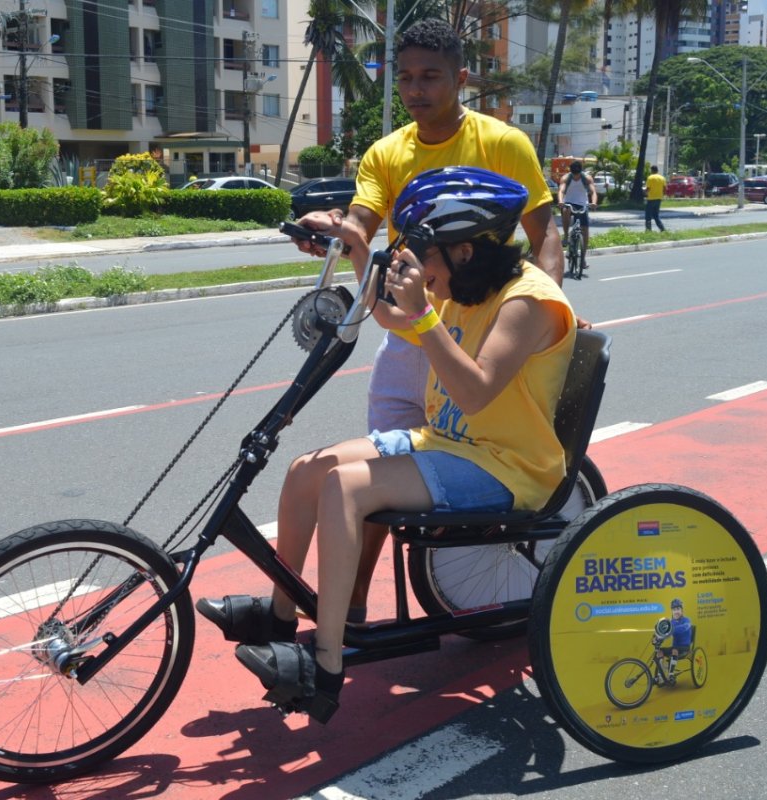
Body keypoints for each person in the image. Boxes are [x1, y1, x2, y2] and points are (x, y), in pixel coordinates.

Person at [197, 168, 577, 721]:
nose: (418, 265)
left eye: (425, 253)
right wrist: (358, 247)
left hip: (506, 464)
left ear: (464, 251)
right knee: (309, 467)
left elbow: (473, 392)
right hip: (451, 444)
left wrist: (423, 313)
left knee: (346, 489)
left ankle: (325, 666)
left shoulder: (527, 301)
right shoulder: (470, 286)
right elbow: (393, 320)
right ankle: (282, 618)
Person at [286, 17, 569, 623]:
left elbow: (545, 235)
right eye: (406, 78)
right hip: (414, 328)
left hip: (486, 327)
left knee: (396, 475)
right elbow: (363, 221)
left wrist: (538, 316)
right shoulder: (388, 151)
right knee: (372, 474)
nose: (417, 90)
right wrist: (337, 232)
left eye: (431, 77)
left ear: (460, 78)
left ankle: (344, 616)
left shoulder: (503, 143)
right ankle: (351, 606)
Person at [557, 160, 598, 270]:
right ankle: (566, 236)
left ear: (581, 171)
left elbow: (593, 191)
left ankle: (583, 258)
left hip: (582, 204)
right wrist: (561, 201)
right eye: (574, 174)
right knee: (566, 210)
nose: (576, 177)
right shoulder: (566, 178)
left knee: (585, 232)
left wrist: (594, 202)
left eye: (578, 174)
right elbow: (561, 191)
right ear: (571, 172)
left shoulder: (587, 178)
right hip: (569, 202)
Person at [654, 598, 693, 685]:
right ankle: (660, 676)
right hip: (674, 648)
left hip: (685, 647)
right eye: (674, 610)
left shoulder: (687, 620)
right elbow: (665, 633)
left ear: (682, 610)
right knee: (660, 652)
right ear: (672, 611)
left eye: (678, 609)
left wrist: (671, 629)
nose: (676, 612)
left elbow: (684, 628)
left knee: (674, 650)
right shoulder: (671, 622)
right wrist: (658, 637)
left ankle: (671, 675)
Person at [645, 165, 667, 232]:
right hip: (659, 198)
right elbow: (665, 188)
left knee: (648, 215)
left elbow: (648, 188)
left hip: (651, 199)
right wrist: (663, 195)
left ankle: (648, 230)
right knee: (656, 215)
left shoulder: (650, 178)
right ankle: (662, 229)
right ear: (657, 170)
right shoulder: (662, 178)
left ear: (652, 170)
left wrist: (644, 193)